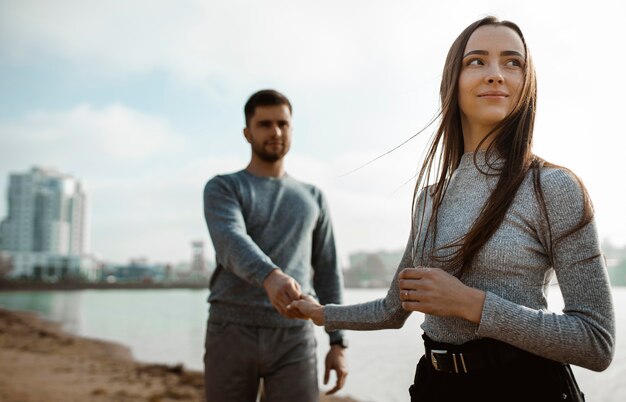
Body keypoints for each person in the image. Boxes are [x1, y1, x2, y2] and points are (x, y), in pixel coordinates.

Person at [288, 16, 615, 401]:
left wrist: (472, 304)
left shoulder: (553, 188)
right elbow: (394, 309)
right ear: (453, 81)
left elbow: (596, 341)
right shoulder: (429, 198)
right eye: (477, 61)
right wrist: (320, 313)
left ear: (526, 84)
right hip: (435, 385)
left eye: (513, 62)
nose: (496, 74)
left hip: (524, 386)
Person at [202, 89, 348, 402]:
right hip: (230, 330)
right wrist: (271, 276)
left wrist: (338, 341)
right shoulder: (224, 187)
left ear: (292, 129)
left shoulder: (314, 197)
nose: (275, 132)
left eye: (282, 124)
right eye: (265, 124)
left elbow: (327, 270)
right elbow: (229, 239)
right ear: (247, 132)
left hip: (294, 335)